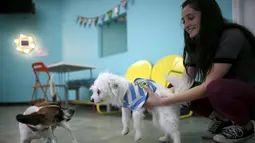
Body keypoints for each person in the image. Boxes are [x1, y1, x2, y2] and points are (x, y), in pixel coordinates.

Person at [143, 0, 255, 143]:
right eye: (183, 21)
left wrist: (161, 101)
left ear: (208, 16)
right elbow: (186, 82)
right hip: (227, 93)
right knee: (178, 88)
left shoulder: (232, 35)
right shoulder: (195, 43)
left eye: (191, 18)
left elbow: (208, 86)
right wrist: (160, 93)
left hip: (249, 95)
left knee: (214, 88)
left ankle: (244, 127)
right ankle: (222, 120)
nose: (186, 25)